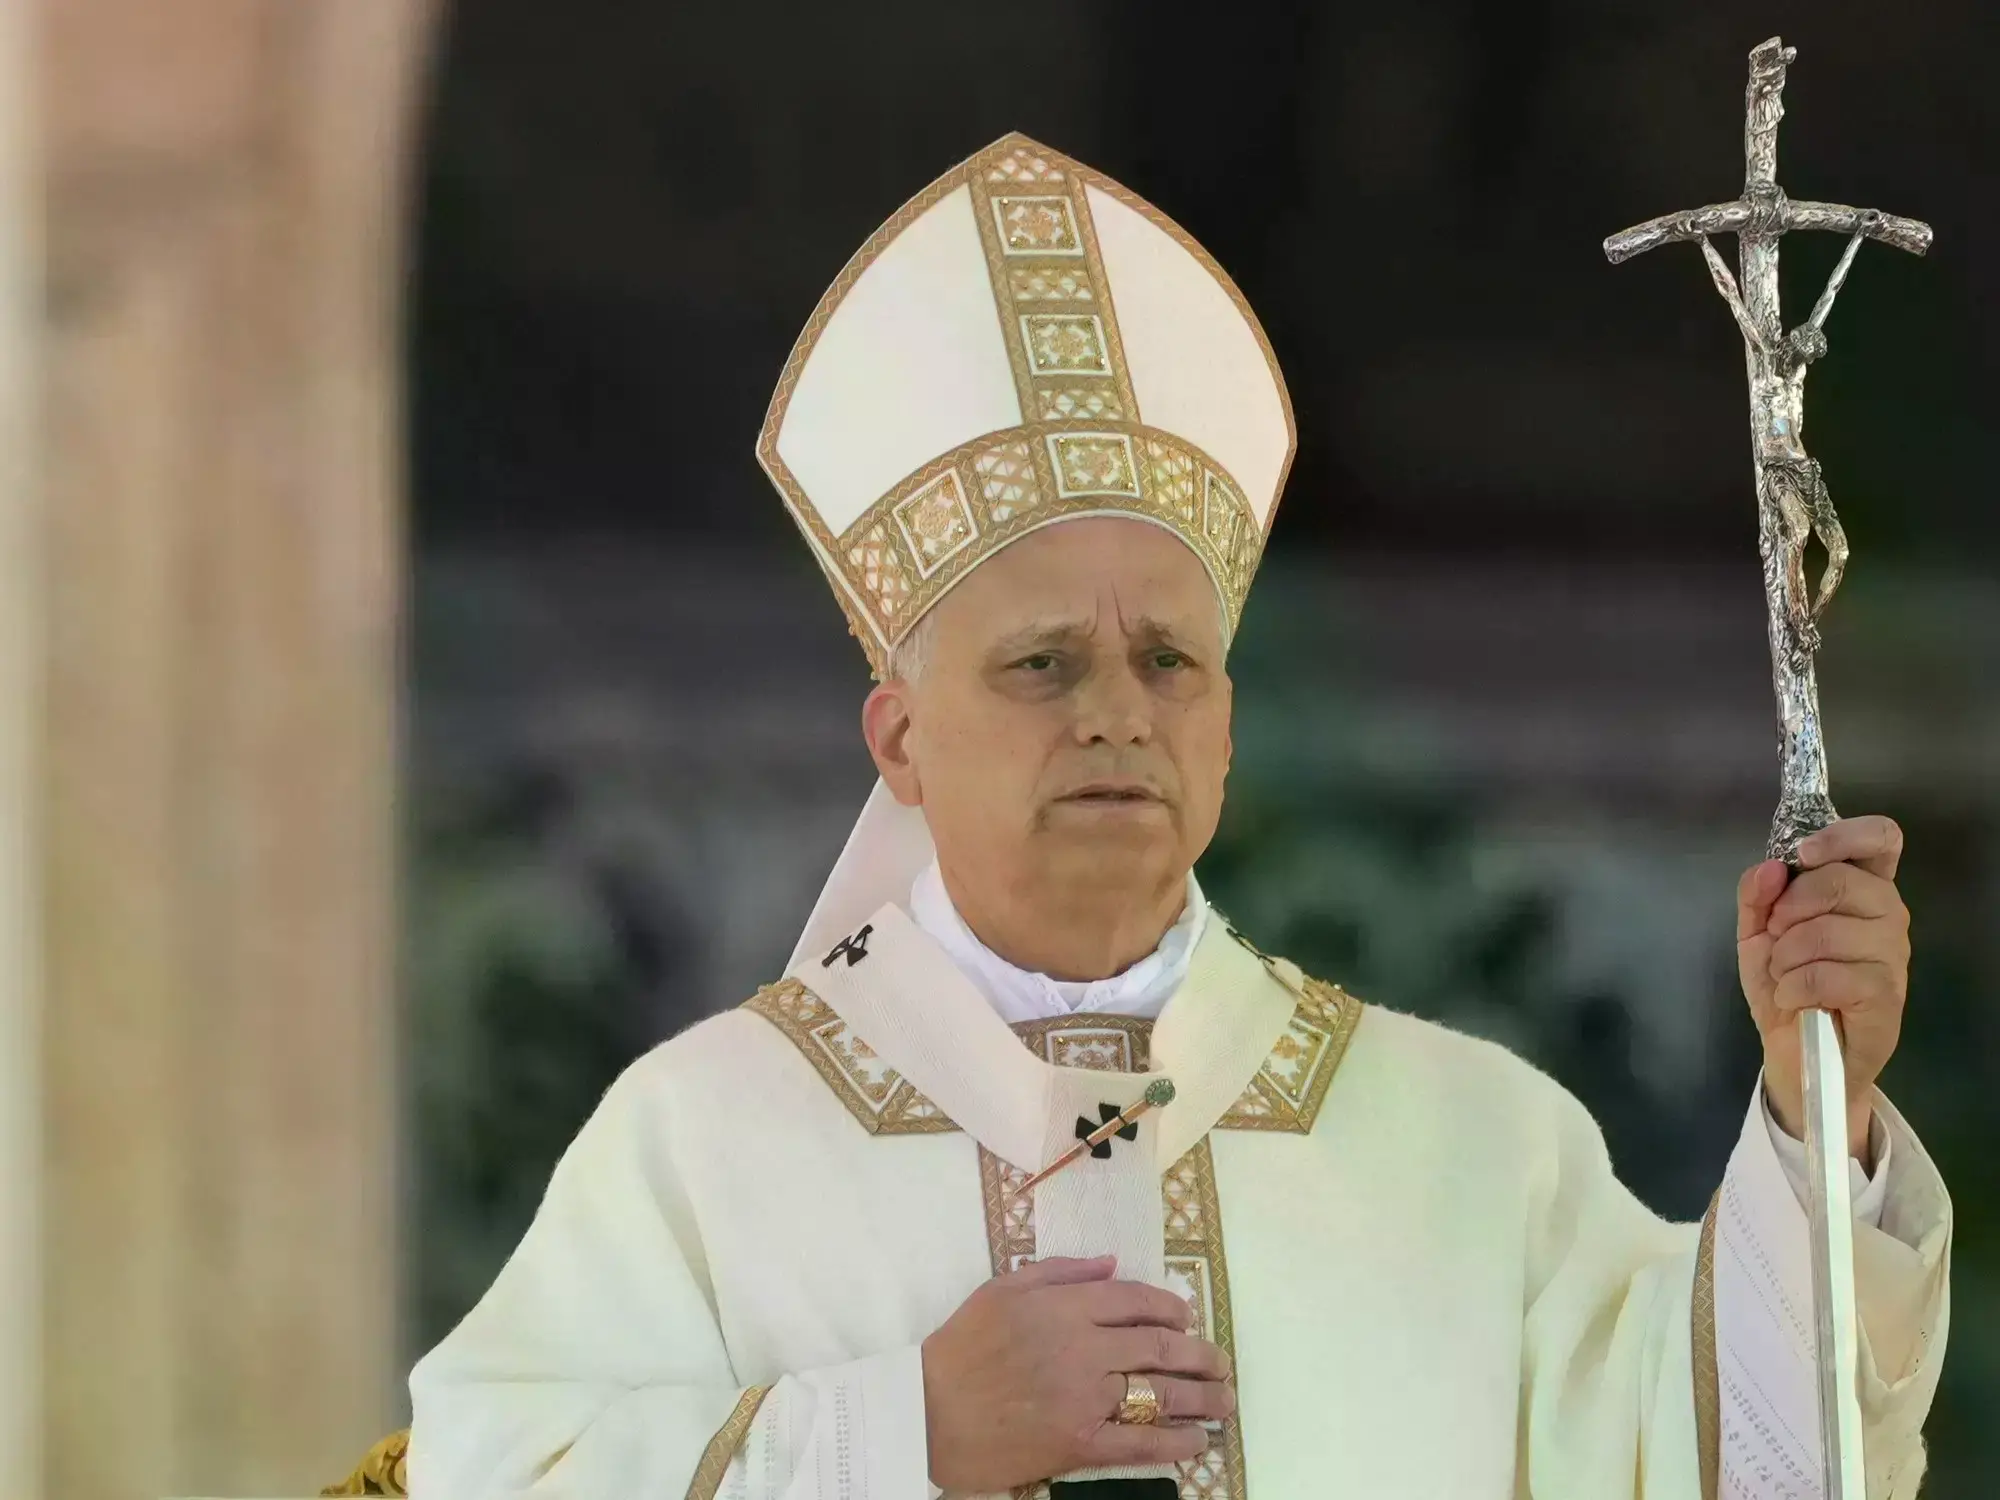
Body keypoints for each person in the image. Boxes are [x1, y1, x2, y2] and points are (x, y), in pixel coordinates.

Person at [408, 134, 1949, 1500]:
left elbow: (1761, 1465)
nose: (1116, 713)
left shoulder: (1474, 1149)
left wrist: (1823, 1112)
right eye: (1040, 664)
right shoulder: (705, 1146)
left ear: (1221, 730)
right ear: (899, 739)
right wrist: (903, 1438)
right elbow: (490, 1475)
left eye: (1168, 661)